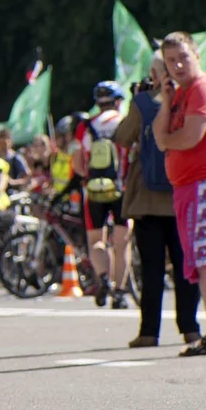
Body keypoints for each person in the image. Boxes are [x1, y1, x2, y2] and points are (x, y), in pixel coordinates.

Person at [153, 32, 206, 356]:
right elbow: (159, 136)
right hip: (188, 188)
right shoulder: (181, 94)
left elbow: (188, 137)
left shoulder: (203, 89)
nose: (178, 65)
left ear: (196, 54)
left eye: (183, 56)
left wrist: (168, 140)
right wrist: (167, 99)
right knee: (201, 260)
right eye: (170, 60)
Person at [115, 54, 201, 347]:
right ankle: (190, 328)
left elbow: (123, 137)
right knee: (186, 267)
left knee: (151, 269)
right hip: (183, 193)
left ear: (154, 72)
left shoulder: (143, 102)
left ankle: (149, 332)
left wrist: (137, 100)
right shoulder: (191, 98)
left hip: (148, 200)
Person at [72, 81, 133, 309]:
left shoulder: (86, 126)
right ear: (118, 101)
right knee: (121, 242)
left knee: (96, 240)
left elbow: (77, 164)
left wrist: (88, 176)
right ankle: (119, 292)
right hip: (121, 189)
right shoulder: (124, 122)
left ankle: (104, 278)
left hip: (94, 190)